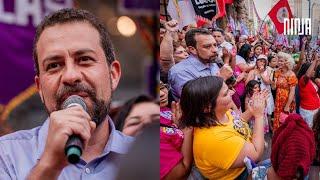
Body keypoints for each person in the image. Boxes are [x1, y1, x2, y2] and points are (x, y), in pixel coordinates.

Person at [0, 9, 135, 179]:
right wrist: (49, 165)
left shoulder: (147, 158)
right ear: (40, 88)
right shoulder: (5, 156)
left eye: (84, 59)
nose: (71, 76)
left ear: (113, 75)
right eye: (54, 65)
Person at [179, 76, 268, 179]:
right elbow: (256, 154)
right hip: (239, 175)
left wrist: (252, 110)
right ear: (207, 107)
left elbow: (237, 121)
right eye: (225, 93)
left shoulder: (221, 113)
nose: (232, 92)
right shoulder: (215, 139)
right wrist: (259, 116)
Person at [168, 28, 233, 100]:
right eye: (207, 46)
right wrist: (221, 79)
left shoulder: (212, 63)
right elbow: (195, 101)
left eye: (215, 45)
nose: (215, 50)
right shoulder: (180, 71)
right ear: (193, 49)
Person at [272, 52, 298, 130]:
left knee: (286, 119)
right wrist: (272, 82)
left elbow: (292, 92)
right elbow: (274, 87)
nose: (279, 62)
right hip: (278, 99)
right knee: (278, 118)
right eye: (279, 60)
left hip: (287, 100)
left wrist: (287, 105)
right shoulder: (277, 72)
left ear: (287, 62)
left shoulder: (291, 74)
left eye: (282, 61)